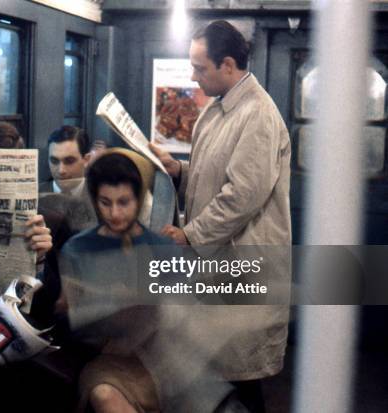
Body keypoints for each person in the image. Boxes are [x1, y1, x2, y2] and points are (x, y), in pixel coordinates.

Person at [149, 20, 291, 412]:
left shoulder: (257, 114)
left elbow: (241, 196)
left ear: (228, 64)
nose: (193, 77)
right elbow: (214, 176)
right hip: (219, 266)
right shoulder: (218, 108)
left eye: (199, 68)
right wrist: (179, 172)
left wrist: (190, 235)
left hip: (243, 268)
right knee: (219, 379)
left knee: (239, 382)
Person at [60, 149, 176, 413]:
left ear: (139, 199)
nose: (114, 213)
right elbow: (73, 329)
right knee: (104, 394)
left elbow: (184, 312)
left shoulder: (161, 246)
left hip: (162, 360)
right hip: (108, 361)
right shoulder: (78, 249)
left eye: (124, 202)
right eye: (105, 202)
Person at [40, 125, 91, 196]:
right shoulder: (34, 195)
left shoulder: (99, 196)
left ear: (86, 160)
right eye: (54, 161)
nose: (61, 170)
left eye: (69, 161)